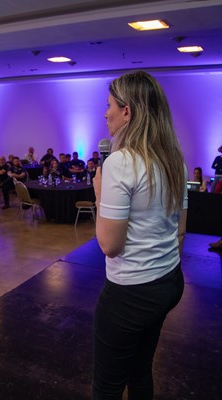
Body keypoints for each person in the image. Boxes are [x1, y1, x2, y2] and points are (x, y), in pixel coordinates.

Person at [92, 71, 187, 400]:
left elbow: (110, 245)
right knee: (140, 369)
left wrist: (99, 193)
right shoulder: (174, 158)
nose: (105, 114)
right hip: (169, 281)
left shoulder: (120, 162)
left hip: (130, 295)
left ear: (127, 111)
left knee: (107, 385)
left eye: (108, 106)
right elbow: (181, 231)